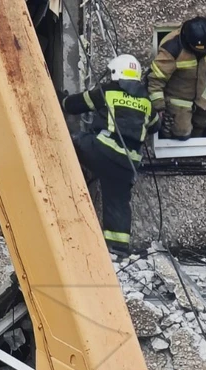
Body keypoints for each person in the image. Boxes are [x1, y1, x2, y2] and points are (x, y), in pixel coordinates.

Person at [61, 54, 158, 256]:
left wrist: (62, 99)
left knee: (69, 141)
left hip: (103, 151)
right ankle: (118, 249)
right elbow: (155, 126)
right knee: (118, 203)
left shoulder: (108, 91)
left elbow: (76, 105)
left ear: (116, 71)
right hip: (127, 164)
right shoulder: (147, 102)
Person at [147, 17, 206, 140]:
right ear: (189, 43)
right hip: (178, 98)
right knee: (182, 134)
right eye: (202, 49)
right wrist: (159, 107)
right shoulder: (172, 49)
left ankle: (199, 152)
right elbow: (155, 80)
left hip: (203, 93)